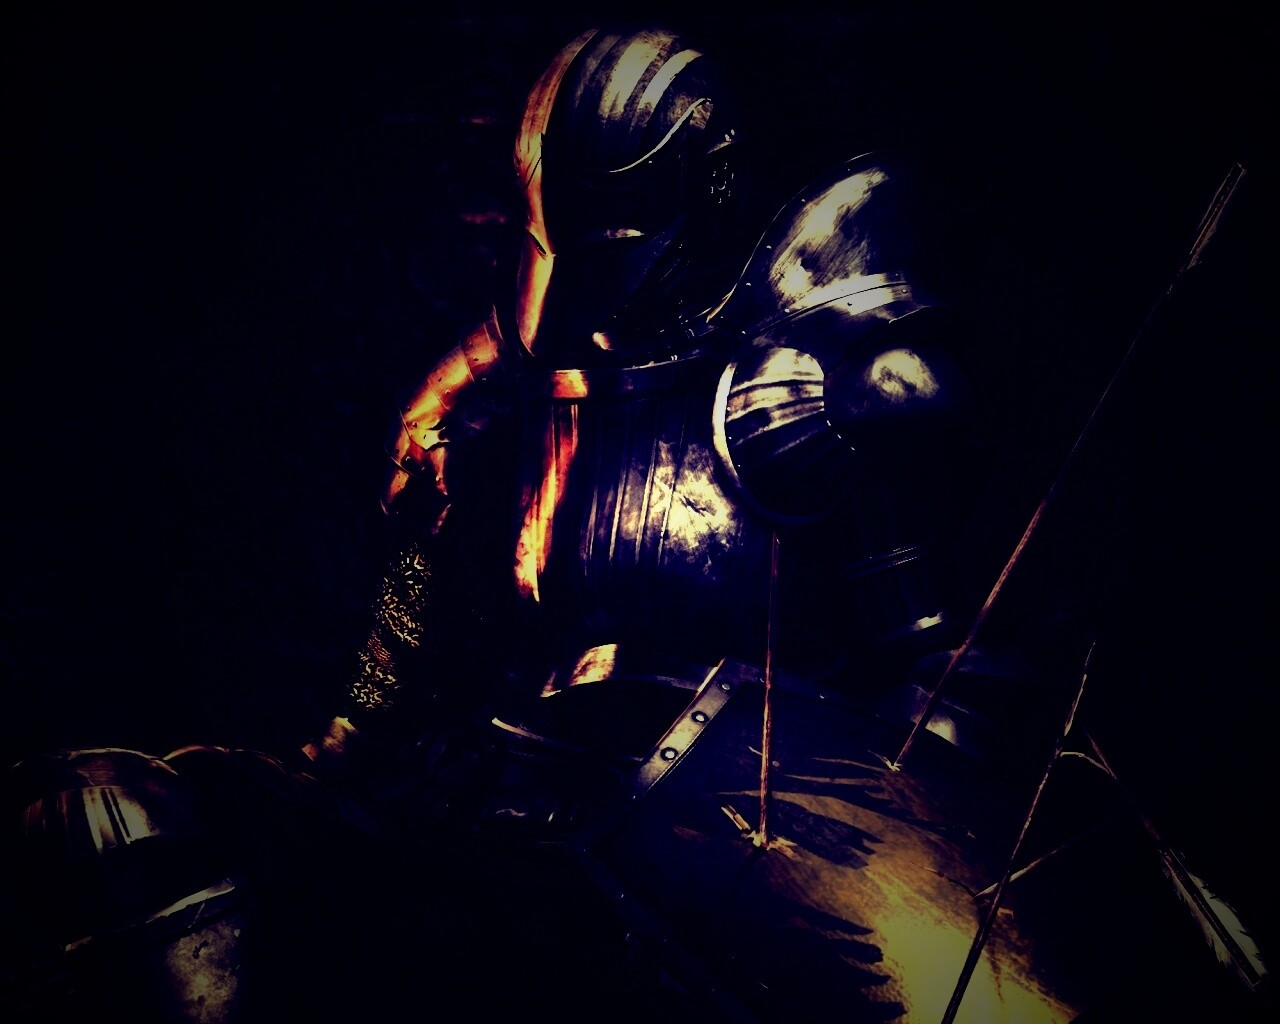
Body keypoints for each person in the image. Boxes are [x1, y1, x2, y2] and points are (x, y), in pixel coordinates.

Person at [4, 21, 1264, 1024]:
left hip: (754, 837)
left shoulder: (791, 377)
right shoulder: (508, 387)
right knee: (111, 820)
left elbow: (924, 659)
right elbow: (411, 635)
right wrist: (344, 751)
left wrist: (937, 810)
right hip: (519, 806)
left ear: (703, 189)